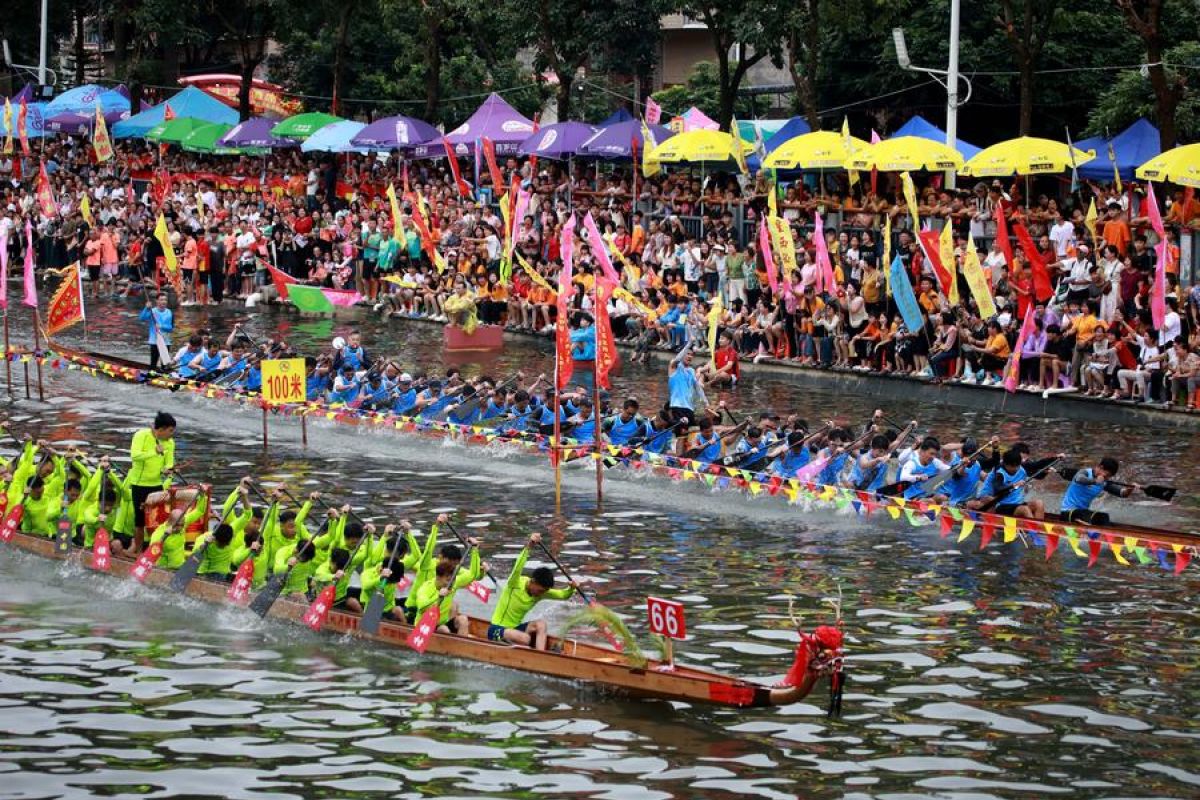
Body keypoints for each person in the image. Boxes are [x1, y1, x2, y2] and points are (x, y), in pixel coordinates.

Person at [487, 533, 578, 650]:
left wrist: (572, 588)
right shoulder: (514, 583)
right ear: (533, 581)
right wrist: (529, 546)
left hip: (516, 629)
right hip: (496, 629)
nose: (541, 594)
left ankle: (541, 656)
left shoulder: (541, 593)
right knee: (525, 639)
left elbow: (563, 595)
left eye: (544, 591)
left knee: (541, 625)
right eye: (540, 590)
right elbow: (517, 567)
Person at [128, 412, 177, 553]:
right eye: (170, 431)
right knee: (140, 521)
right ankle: (137, 551)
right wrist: (154, 451)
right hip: (139, 484)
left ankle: (155, 550)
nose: (171, 434)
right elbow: (135, 456)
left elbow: (168, 463)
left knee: (159, 520)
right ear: (160, 429)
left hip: (157, 485)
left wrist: (167, 470)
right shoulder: (141, 435)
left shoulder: (170, 443)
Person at [1059, 457, 1135, 526]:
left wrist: (1130, 489)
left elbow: (1122, 494)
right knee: (1092, 517)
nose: (1107, 478)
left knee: (1104, 517)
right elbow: (1079, 479)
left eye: (1109, 476)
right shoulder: (1085, 472)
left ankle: (1105, 535)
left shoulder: (1103, 482)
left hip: (1083, 513)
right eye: (1107, 475)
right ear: (1101, 467)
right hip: (1068, 513)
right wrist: (1095, 481)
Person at [140, 293, 174, 372]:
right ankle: (151, 375)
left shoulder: (169, 312)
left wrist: (161, 327)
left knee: (165, 364)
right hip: (154, 341)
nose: (164, 302)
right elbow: (142, 318)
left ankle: (164, 377)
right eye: (161, 300)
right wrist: (146, 308)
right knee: (153, 363)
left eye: (165, 300)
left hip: (166, 341)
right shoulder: (152, 311)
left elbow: (170, 329)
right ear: (157, 301)